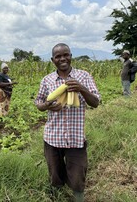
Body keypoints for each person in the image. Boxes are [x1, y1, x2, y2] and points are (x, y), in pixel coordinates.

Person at [34, 43, 100, 202]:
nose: (63, 58)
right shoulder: (47, 80)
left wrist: (81, 89)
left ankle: (78, 198)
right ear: (52, 60)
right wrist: (46, 106)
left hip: (75, 139)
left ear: (71, 56)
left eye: (66, 55)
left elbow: (96, 102)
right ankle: (56, 196)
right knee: (55, 174)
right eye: (58, 56)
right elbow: (38, 102)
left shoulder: (84, 76)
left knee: (78, 177)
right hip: (52, 138)